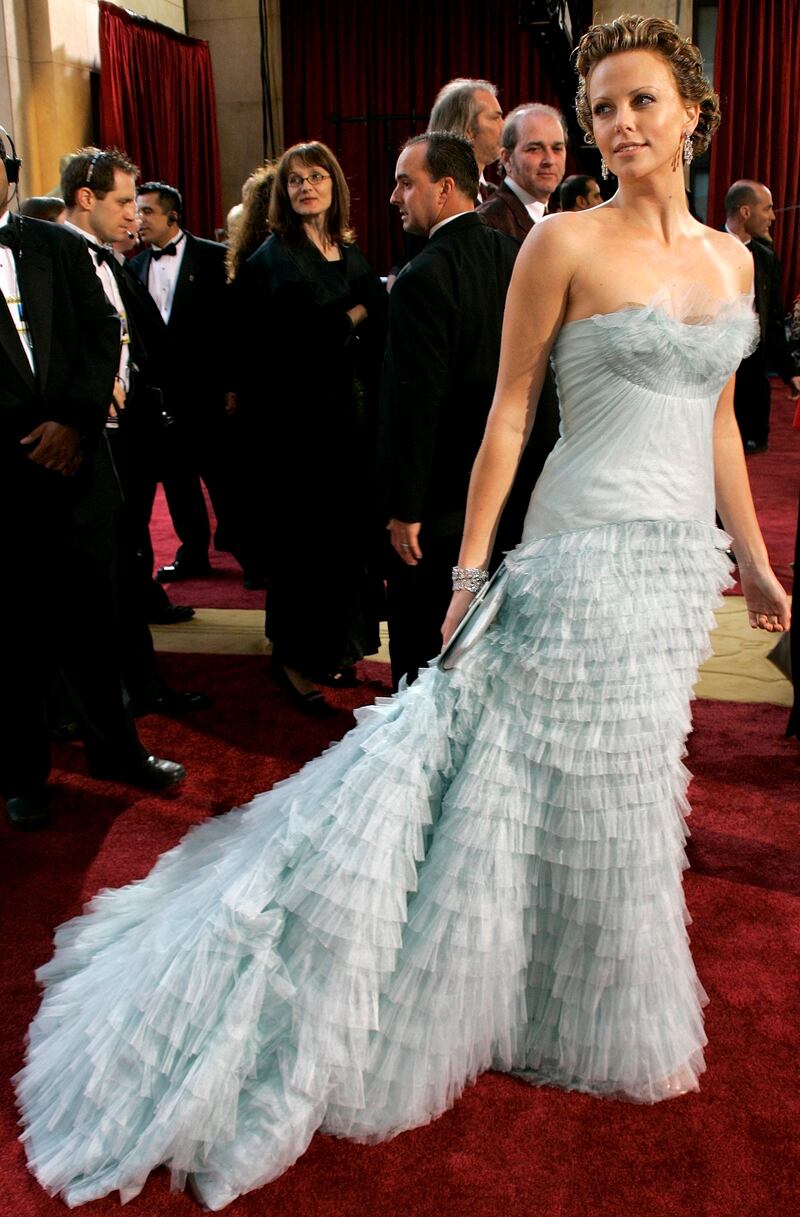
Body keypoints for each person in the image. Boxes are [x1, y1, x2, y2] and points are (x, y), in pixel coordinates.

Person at [15, 14, 790, 1210]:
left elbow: (713, 423)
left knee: (628, 781)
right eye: (599, 111)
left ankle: (574, 988)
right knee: (529, 774)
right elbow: (509, 416)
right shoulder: (561, 247)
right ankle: (492, 983)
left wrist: (749, 558)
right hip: (576, 549)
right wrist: (474, 573)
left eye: (639, 102)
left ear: (691, 109)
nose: (618, 126)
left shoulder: (732, 263)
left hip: (671, 570)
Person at [0, 135, 185, 833]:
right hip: (5, 477)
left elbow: (102, 329)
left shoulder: (55, 245)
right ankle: (21, 776)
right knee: (13, 641)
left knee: (95, 623)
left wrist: (73, 423)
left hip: (79, 468)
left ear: (9, 173)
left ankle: (118, 750)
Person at [233, 141, 387, 713]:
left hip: (352, 428)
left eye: (316, 176)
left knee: (346, 551)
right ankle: (293, 663)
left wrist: (354, 317)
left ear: (335, 186)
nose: (305, 187)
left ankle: (333, 650)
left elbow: (372, 322)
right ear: (282, 193)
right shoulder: (271, 260)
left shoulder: (347, 251)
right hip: (298, 437)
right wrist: (357, 312)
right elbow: (298, 346)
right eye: (294, 180)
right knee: (304, 554)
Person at [381, 132, 518, 688]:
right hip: (509, 489)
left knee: (425, 644)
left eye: (405, 183)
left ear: (443, 189)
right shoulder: (516, 255)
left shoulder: (422, 276)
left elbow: (414, 404)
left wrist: (403, 506)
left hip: (438, 503)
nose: (394, 197)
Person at [132, 182, 248, 581]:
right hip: (162, 396)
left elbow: (235, 328)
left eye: (146, 211)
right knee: (178, 481)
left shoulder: (215, 258)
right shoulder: (134, 267)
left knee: (224, 478)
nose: (138, 218)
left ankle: (249, 553)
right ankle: (192, 552)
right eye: (136, 210)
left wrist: (233, 384)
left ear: (172, 216)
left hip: (210, 391)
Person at [723, 179, 800, 452]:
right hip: (714, 375)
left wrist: (789, 373)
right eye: (767, 209)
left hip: (754, 384)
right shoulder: (705, 249)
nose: (773, 217)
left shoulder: (767, 258)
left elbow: (773, 321)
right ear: (746, 212)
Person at [478, 103, 568, 241]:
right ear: (507, 159)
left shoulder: (558, 222)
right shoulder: (486, 225)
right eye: (534, 149)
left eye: (557, 148)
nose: (549, 160)